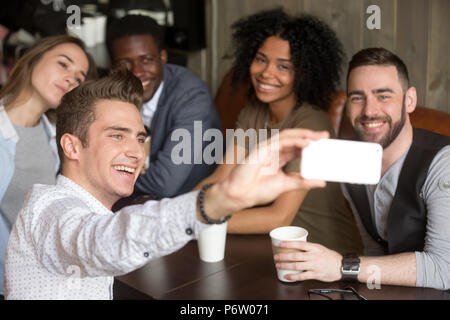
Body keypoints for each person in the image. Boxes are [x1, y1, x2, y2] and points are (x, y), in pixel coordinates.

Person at [4, 70, 328, 299]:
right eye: (117, 135)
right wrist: (218, 201)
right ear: (72, 146)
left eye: (140, 137)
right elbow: (103, 243)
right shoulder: (50, 210)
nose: (135, 151)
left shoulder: (88, 210)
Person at [274, 47, 450, 290]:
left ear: (409, 100)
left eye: (383, 96)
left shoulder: (443, 162)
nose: (369, 110)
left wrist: (340, 266)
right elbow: (374, 251)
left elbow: (444, 269)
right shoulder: (349, 159)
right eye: (357, 97)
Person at [195, 8, 362, 254]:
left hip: (323, 254)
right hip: (270, 249)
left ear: (303, 74)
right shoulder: (252, 113)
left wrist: (199, 220)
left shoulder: (311, 124)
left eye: (283, 66)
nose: (267, 72)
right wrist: (172, 212)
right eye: (261, 59)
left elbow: (278, 217)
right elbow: (220, 178)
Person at [0, 35, 95, 299]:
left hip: (38, 281)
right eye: (64, 64)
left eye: (79, 77)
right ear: (33, 59)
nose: (71, 79)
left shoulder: (53, 136)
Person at [106, 14, 222, 199]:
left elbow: (164, 183)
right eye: (125, 63)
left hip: (185, 202)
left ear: (163, 56)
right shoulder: (110, 92)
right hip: (137, 199)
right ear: (112, 68)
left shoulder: (192, 97)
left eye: (146, 60)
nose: (137, 72)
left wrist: (105, 175)